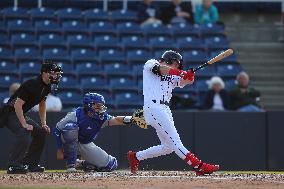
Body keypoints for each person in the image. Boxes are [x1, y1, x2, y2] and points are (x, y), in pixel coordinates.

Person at [127, 50, 219, 175]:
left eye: (178, 65)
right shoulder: (151, 63)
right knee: (175, 140)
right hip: (154, 106)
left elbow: (184, 82)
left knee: (168, 147)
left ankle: (136, 156)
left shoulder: (172, 75)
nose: (177, 67)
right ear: (168, 60)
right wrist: (181, 72)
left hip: (165, 108)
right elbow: (160, 69)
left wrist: (189, 76)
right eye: (175, 64)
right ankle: (198, 166)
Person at [0, 60, 63, 174]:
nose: (56, 76)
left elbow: (42, 104)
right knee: (24, 130)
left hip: (20, 112)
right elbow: (17, 104)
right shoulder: (32, 83)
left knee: (40, 132)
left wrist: (43, 123)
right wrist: (24, 124)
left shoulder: (48, 86)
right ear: (44, 72)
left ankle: (30, 164)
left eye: (57, 74)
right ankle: (13, 165)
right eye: (53, 73)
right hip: (10, 112)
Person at [54, 92, 135, 172]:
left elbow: (116, 120)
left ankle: (81, 163)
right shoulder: (75, 115)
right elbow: (57, 129)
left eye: (101, 106)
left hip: (85, 143)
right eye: (97, 106)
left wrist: (133, 118)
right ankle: (71, 165)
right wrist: (59, 149)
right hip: (67, 142)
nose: (100, 108)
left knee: (111, 165)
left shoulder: (102, 118)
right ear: (89, 105)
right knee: (70, 128)